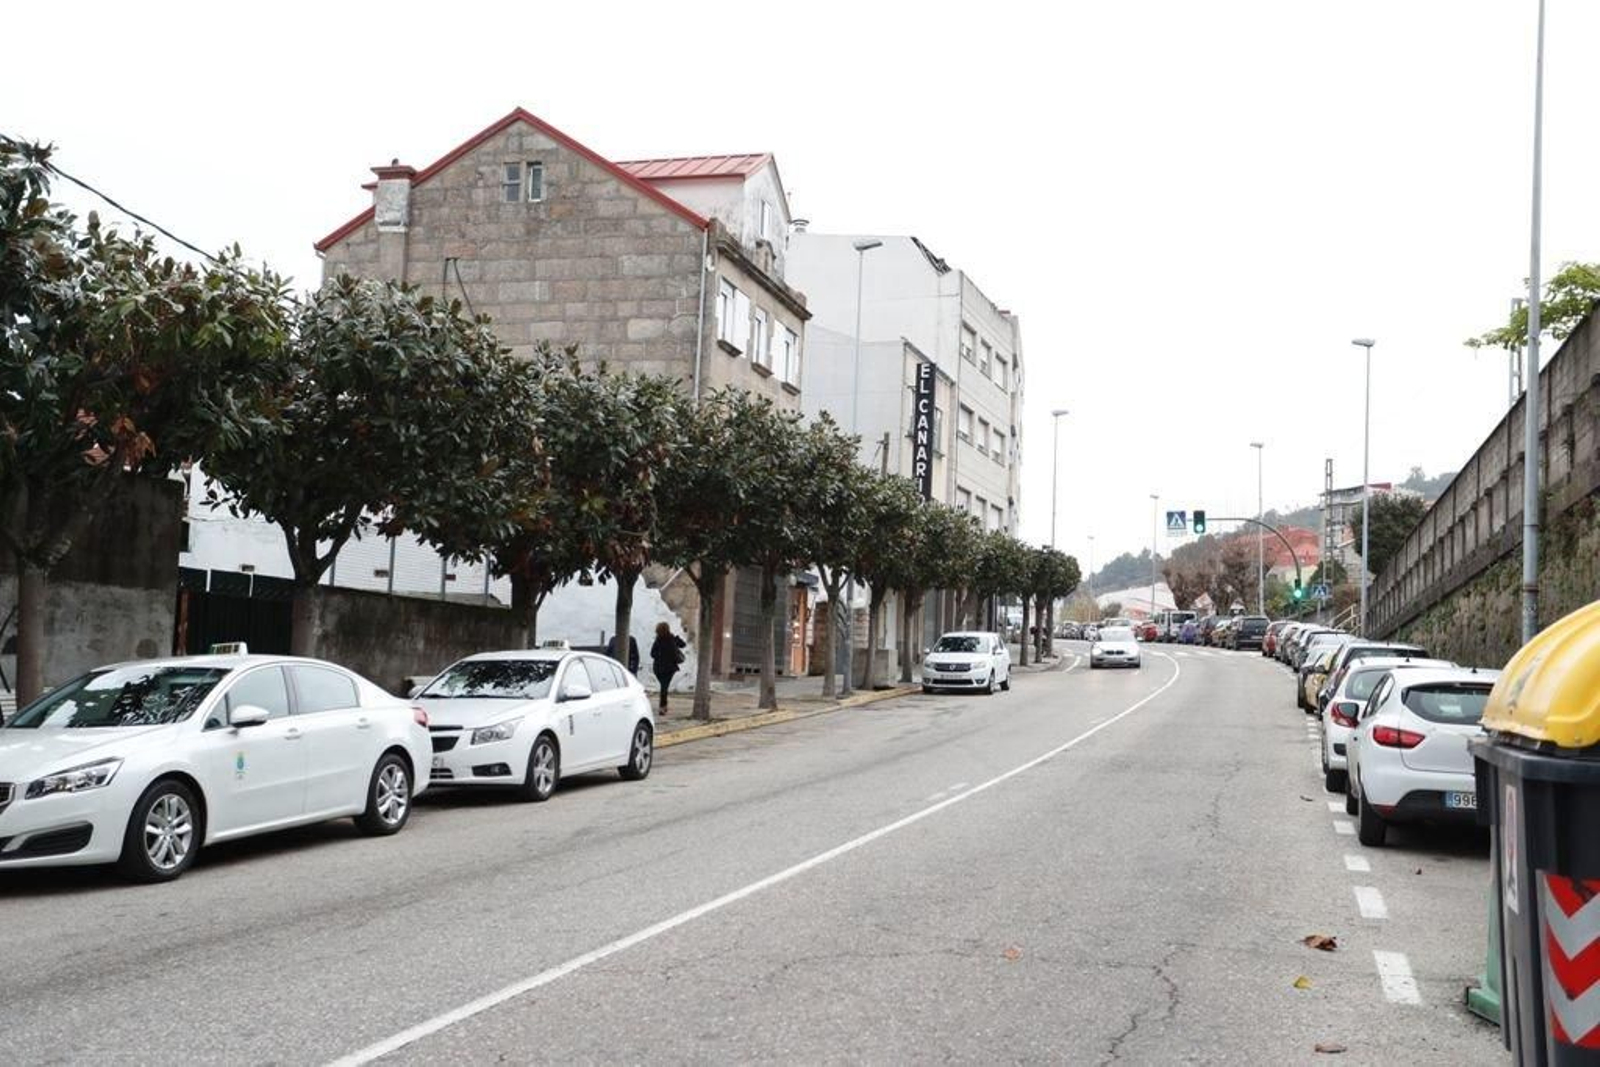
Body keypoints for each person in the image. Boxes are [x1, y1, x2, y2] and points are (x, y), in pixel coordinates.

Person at [649, 622, 686, 714]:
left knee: (664, 687)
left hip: (658, 668)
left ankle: (663, 706)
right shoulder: (671, 639)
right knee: (664, 687)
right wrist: (676, 638)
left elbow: (652, 653)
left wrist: (660, 655)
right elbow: (683, 644)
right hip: (669, 668)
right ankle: (663, 706)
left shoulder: (658, 640)